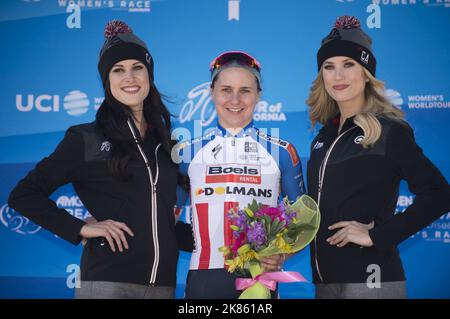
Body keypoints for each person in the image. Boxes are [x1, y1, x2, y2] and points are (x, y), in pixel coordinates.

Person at [8, 20, 192, 299]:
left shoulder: (165, 144)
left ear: (149, 75)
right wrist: (81, 227)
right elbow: (23, 195)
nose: (129, 78)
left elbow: (161, 223)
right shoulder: (87, 138)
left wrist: (228, 242)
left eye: (137, 68)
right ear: (107, 81)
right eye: (118, 70)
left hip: (163, 286)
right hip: (108, 285)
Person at [306, 15, 450, 299]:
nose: (339, 75)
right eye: (329, 67)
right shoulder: (323, 138)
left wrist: (376, 235)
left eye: (349, 65)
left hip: (372, 282)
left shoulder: (389, 131)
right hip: (324, 283)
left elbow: (439, 193)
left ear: (366, 72)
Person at [175, 51, 306, 299]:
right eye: (226, 89)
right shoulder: (186, 153)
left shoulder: (282, 152)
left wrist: (281, 255)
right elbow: (164, 218)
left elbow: (304, 222)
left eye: (245, 90)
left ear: (258, 95)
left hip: (259, 279)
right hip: (203, 281)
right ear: (212, 93)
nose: (235, 99)